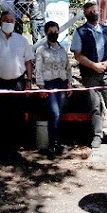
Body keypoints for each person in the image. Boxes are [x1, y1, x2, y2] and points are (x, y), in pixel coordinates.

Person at [71, 1, 107, 149]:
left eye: (96, 10)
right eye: (91, 11)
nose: (94, 13)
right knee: (95, 107)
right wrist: (93, 65)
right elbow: (78, 55)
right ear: (86, 14)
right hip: (89, 75)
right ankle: (97, 135)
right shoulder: (80, 32)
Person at [0, 11, 34, 153]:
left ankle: (14, 148)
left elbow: (28, 61)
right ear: (0, 22)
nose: (9, 23)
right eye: (6, 20)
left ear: (15, 23)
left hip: (17, 83)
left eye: (11, 21)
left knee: (16, 115)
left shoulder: (21, 40)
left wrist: (29, 80)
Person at [35, 21, 72, 159]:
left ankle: (57, 143)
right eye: (50, 31)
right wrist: (41, 87)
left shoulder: (62, 49)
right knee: (54, 114)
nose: (53, 34)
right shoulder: (41, 50)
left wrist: (70, 84)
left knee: (59, 114)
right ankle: (52, 145)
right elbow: (37, 70)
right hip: (48, 84)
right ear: (46, 33)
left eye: (55, 31)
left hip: (61, 83)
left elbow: (67, 67)